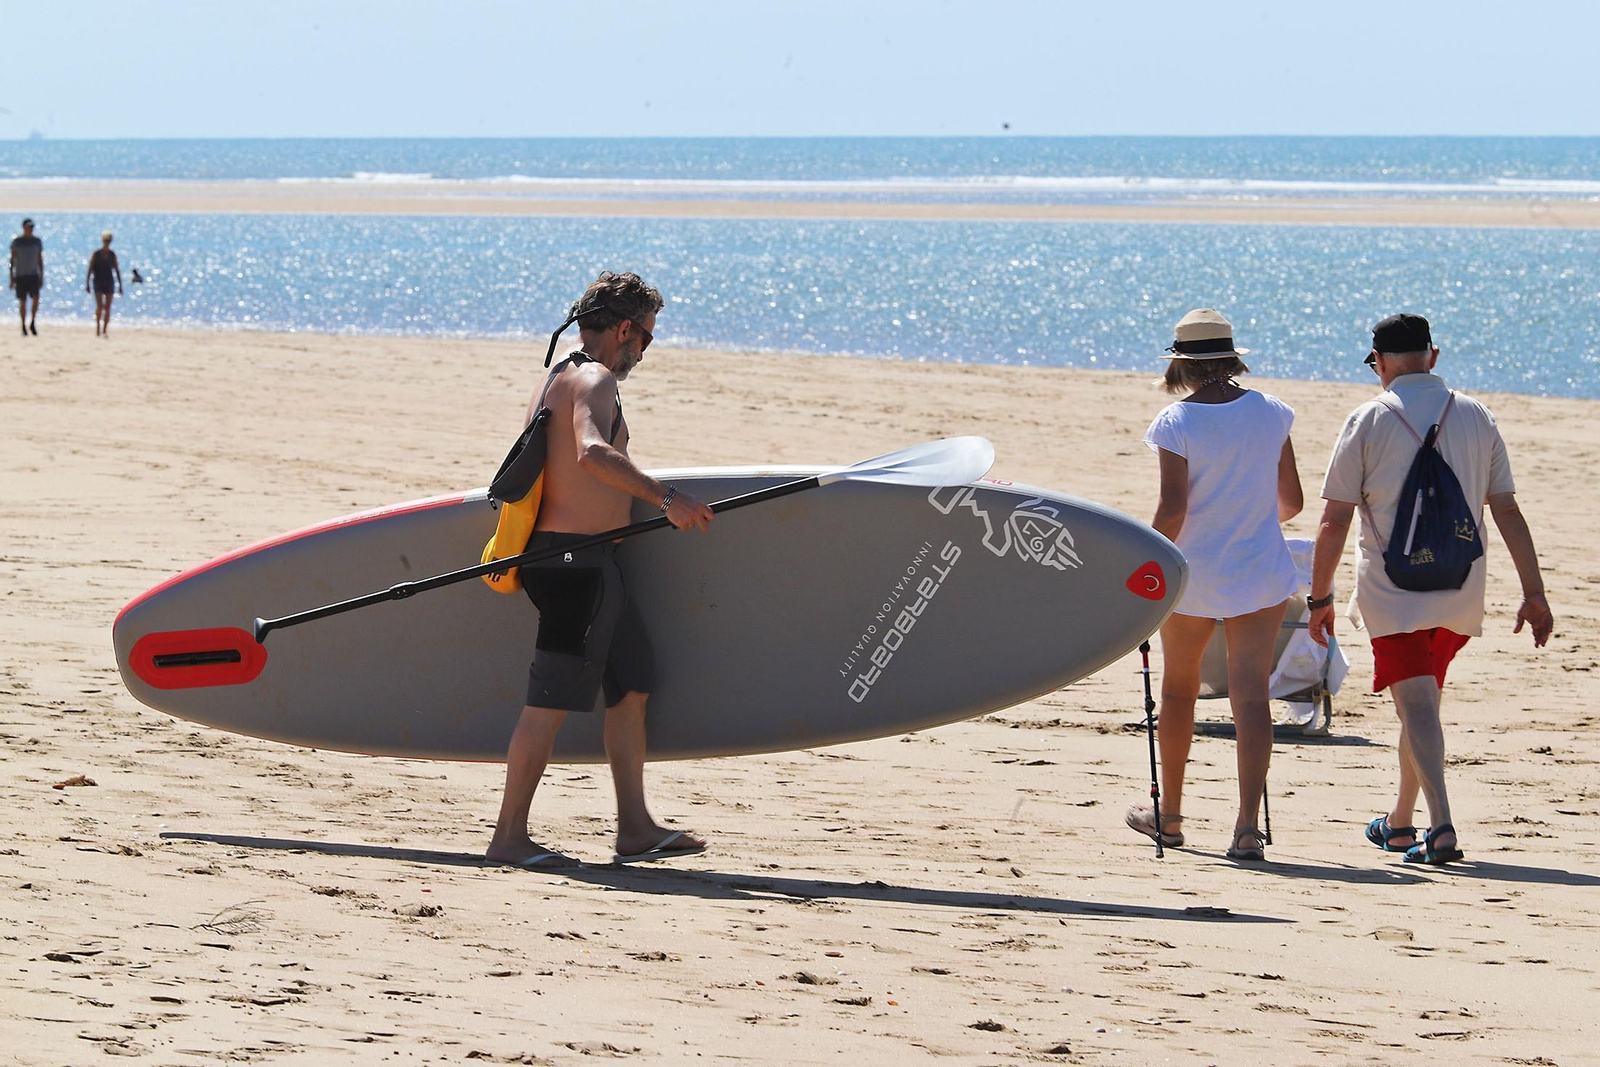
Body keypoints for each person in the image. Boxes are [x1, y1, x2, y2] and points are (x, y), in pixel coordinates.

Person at [487, 270, 715, 870]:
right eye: (647, 336)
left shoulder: (559, 373)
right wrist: (668, 499)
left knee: (632, 686)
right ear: (623, 329)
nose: (646, 348)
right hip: (574, 567)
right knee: (548, 703)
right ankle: (508, 837)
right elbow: (592, 452)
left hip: (590, 563)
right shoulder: (594, 377)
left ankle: (635, 828)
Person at [1309, 313, 1553, 865]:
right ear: (1432, 356)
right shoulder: (1475, 415)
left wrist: (1319, 599)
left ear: (1382, 362)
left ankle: (1440, 826)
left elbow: (1334, 520)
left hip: (1392, 592)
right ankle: (1400, 823)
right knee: (1421, 705)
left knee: (1416, 704)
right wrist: (1533, 592)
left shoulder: (1368, 418)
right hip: (1460, 587)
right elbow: (1506, 508)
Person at [1125, 308, 1303, 862]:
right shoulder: (1272, 412)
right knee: (1251, 697)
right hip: (1258, 570)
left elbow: (1173, 509)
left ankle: (1170, 816)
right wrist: (1246, 514)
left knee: (1179, 691)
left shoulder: (1176, 422)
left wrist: (1142, 559)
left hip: (1193, 574)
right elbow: (1292, 503)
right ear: (1231, 356)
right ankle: (1247, 827)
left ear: (1181, 361)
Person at [9, 218, 43, 336]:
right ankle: (23, 325)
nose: (30, 230)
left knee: (36, 298)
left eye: (32, 227)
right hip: (21, 275)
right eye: (28, 227)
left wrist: (41, 276)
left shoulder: (36, 241)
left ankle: (33, 322)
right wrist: (11, 278)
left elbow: (40, 259)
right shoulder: (17, 242)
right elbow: (12, 260)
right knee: (22, 301)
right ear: (24, 228)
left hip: (33, 275)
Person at [86, 231, 123, 337]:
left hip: (109, 282)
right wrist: (87, 283)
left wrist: (120, 285)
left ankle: (105, 330)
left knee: (107, 307)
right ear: (102, 241)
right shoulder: (96, 254)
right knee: (99, 306)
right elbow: (90, 269)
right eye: (106, 241)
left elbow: (117, 270)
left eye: (109, 241)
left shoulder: (112, 255)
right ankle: (98, 328)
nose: (107, 243)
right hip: (98, 282)